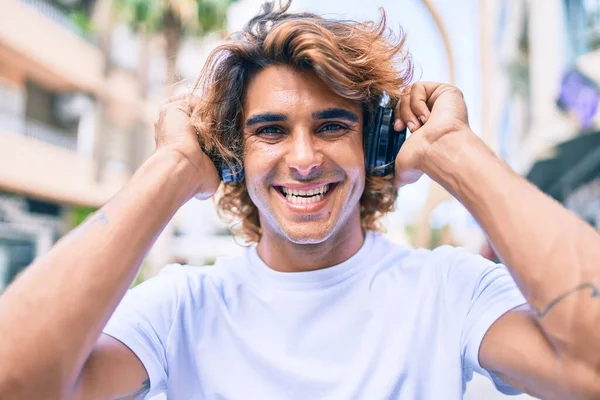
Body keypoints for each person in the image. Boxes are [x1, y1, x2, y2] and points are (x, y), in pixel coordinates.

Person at [1, 2, 599, 399]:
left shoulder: (450, 290)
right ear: (231, 155)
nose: (305, 157)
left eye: (334, 126)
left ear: (377, 146)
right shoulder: (181, 307)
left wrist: (455, 152)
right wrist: (173, 168)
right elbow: (19, 381)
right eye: (270, 131)